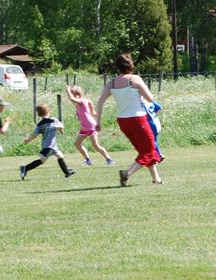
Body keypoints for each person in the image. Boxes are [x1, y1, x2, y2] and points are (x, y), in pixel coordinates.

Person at [94, 54, 162, 186]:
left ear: (118, 67)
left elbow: (100, 104)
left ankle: (156, 178)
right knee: (149, 150)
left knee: (144, 151)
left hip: (123, 122)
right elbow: (150, 98)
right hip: (138, 119)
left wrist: (98, 122)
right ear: (131, 65)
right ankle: (127, 173)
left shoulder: (111, 83)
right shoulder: (135, 79)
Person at [19, 104, 75, 180]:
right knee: (42, 161)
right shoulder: (53, 120)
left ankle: (67, 172)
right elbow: (61, 126)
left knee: (60, 156)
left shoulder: (39, 124)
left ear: (38, 114)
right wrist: (61, 131)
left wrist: (27, 141)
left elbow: (34, 135)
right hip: (49, 146)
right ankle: (25, 168)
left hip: (50, 145)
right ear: (48, 112)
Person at [65, 85, 114, 166]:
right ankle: (88, 160)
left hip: (91, 127)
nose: (72, 98)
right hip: (84, 127)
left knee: (95, 145)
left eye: (73, 94)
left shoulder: (82, 101)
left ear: (77, 94)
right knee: (77, 143)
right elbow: (94, 113)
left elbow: (72, 99)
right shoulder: (85, 101)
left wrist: (68, 90)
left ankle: (109, 160)